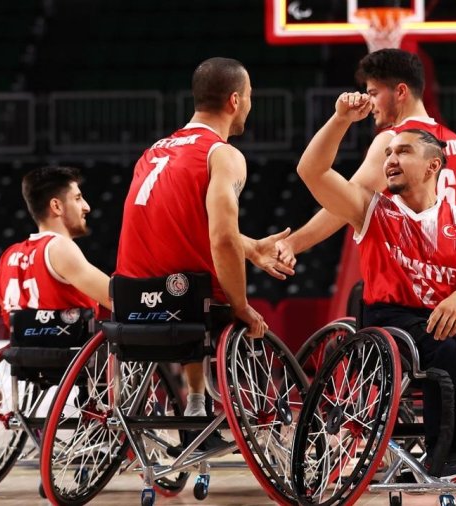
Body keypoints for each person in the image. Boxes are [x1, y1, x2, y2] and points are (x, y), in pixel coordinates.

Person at [297, 91, 456, 483]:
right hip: (391, 322)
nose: (389, 160)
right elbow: (312, 172)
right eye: (387, 153)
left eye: (402, 152)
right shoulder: (370, 209)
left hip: (444, 315)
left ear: (432, 166)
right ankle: (440, 457)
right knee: (445, 348)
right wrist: (339, 120)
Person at [114, 57, 293, 440]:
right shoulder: (222, 155)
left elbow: (185, 227)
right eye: (248, 97)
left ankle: (196, 400)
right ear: (234, 100)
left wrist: (252, 248)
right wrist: (241, 305)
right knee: (238, 311)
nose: (249, 104)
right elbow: (222, 238)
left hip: (132, 302)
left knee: (189, 280)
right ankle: (261, 423)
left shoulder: (154, 152)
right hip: (188, 305)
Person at [277, 48, 456, 267]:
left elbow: (344, 206)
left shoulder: (393, 141)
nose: (370, 103)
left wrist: (293, 243)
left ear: (400, 92)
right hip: (447, 279)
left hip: (405, 280)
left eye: (373, 93)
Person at [0, 166, 112, 374]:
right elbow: (117, 299)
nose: (86, 207)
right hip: (76, 368)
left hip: (26, 365)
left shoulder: (10, 257)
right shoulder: (59, 248)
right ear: (56, 206)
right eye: (77, 198)